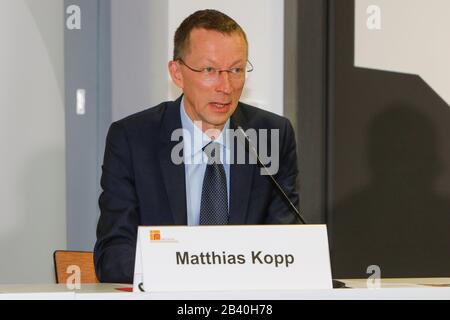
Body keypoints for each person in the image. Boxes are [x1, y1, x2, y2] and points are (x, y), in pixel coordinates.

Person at [94, 9, 301, 284]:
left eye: (236, 70)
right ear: (177, 73)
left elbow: (285, 245)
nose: (225, 86)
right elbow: (114, 254)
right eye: (209, 70)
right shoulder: (132, 139)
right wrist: (195, 272)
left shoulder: (271, 134)